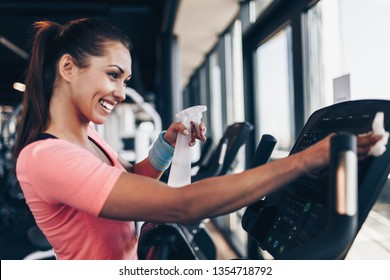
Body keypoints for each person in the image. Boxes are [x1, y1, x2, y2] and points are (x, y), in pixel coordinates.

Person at [14, 18, 380, 260]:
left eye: (125, 80)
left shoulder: (89, 136)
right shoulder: (47, 158)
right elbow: (181, 205)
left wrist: (168, 142)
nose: (122, 92)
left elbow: (132, 183)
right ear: (67, 68)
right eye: (113, 75)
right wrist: (304, 160)